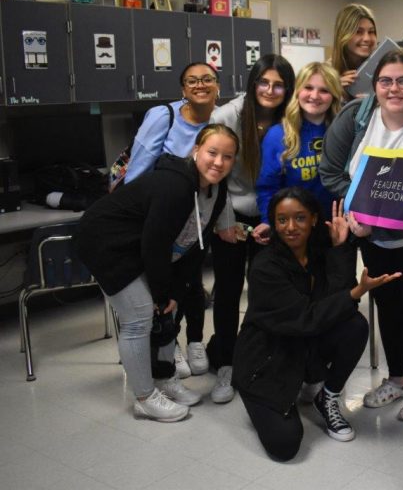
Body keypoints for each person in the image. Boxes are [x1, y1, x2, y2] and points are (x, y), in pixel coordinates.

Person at [75, 125, 237, 422]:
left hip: (142, 246)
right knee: (139, 316)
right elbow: (155, 245)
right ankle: (144, 397)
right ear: (196, 150)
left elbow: (196, 246)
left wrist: (175, 292)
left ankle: (165, 379)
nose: (218, 162)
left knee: (167, 314)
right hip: (107, 243)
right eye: (212, 153)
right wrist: (162, 294)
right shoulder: (174, 186)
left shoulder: (216, 189)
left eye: (228, 157)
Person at [320, 48, 403, 422]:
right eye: (386, 81)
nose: (395, 88)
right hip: (371, 237)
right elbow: (331, 173)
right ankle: (397, 377)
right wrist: (360, 211)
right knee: (387, 306)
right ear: (375, 86)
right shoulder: (356, 119)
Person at [232, 189, 400, 460]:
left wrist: (339, 248)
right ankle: (271, 396)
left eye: (299, 218)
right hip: (266, 359)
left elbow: (339, 307)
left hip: (302, 344)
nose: (290, 227)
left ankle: (327, 396)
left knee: (354, 325)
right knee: (285, 445)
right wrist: (356, 291)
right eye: (282, 220)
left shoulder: (319, 251)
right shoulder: (264, 267)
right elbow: (306, 319)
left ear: (312, 219)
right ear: (274, 223)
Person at [206, 54, 295, 404]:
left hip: (269, 218)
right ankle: (226, 363)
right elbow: (213, 173)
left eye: (278, 85)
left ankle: (256, 357)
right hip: (230, 215)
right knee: (227, 292)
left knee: (264, 293)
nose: (270, 90)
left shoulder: (289, 118)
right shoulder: (228, 116)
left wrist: (273, 222)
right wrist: (224, 220)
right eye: (263, 82)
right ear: (252, 83)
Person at [124, 62, 220, 379]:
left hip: (201, 217)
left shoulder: (221, 120)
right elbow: (138, 173)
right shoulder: (162, 117)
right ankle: (169, 348)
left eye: (207, 79)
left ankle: (193, 342)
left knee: (191, 283)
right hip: (163, 218)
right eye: (192, 81)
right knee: (162, 287)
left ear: (218, 85)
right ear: (182, 90)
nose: (200, 85)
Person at [256, 61, 342, 223]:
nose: (314, 96)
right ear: (298, 91)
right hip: (293, 227)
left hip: (336, 226)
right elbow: (267, 188)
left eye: (324, 90)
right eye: (308, 88)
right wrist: (269, 222)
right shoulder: (278, 135)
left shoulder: (344, 132)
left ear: (334, 95)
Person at [329, 3, 377, 98]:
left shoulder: (383, 69)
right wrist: (333, 90)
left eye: (371, 32)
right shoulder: (325, 73)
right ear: (343, 35)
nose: (367, 38)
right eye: (358, 32)